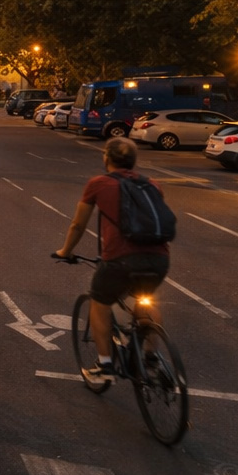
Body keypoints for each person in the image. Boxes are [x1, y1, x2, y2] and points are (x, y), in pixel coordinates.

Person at [53, 136, 170, 385]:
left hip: (121, 260)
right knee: (146, 300)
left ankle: (105, 364)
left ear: (106, 157)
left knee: (100, 302)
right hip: (159, 258)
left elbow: (78, 224)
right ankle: (151, 357)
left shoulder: (98, 184)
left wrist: (65, 251)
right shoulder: (153, 184)